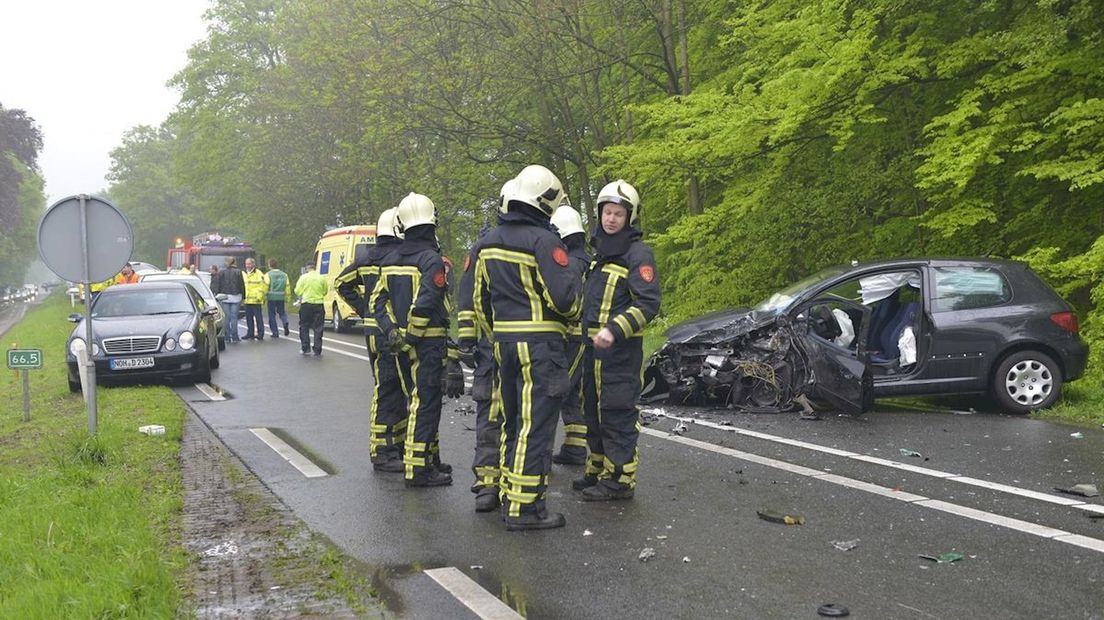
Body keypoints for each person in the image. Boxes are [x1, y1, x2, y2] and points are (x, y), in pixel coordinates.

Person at [473, 165, 582, 531]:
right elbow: (565, 300)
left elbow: (480, 302)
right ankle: (524, 509)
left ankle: (509, 492)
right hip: (541, 347)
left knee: (513, 422)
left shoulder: (487, 243)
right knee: (536, 427)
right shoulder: (545, 242)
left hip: (504, 345)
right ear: (546, 201)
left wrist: (498, 335)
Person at [576, 180, 661, 501]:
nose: (611, 219)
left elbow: (648, 303)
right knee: (593, 412)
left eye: (619, 214)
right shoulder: (599, 254)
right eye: (607, 213)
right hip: (592, 354)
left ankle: (620, 480)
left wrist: (614, 329)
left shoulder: (638, 254)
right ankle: (597, 470)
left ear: (630, 217)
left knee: (617, 413)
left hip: (621, 355)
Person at [374, 193, 462, 488]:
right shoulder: (431, 260)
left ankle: (428, 459)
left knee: (414, 401)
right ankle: (419, 469)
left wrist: (392, 332)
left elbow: (378, 301)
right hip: (426, 344)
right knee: (425, 405)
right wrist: (412, 335)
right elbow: (427, 301)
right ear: (432, 221)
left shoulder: (390, 259)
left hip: (398, 344)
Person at [335, 208, 409, 472]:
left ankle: (395, 444)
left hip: (373, 330)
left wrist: (364, 307)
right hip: (387, 332)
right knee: (390, 388)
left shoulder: (367, 256)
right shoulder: (398, 257)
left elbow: (341, 283)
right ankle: (383, 451)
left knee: (392, 389)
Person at [457, 181, 513, 512]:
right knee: (499, 415)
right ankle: (491, 483)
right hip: (496, 346)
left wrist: (468, 339)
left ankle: (493, 483)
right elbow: (469, 297)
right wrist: (467, 338)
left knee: (496, 415)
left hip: (496, 345)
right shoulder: (486, 248)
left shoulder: (486, 246)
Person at [549, 204, 591, 466]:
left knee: (557, 389)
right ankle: (575, 447)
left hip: (573, 337)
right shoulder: (586, 259)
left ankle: (540, 449)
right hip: (583, 336)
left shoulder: (571, 264)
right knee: (573, 391)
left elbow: (566, 302)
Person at [294, 261, 327, 355]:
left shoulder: (303, 277)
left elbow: (298, 291)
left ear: (307, 268)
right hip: (318, 304)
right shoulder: (321, 278)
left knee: (304, 326)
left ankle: (305, 348)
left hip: (306, 304)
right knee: (318, 328)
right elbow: (325, 291)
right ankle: (317, 349)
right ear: (315, 267)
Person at [212, 257, 245, 343]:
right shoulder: (238, 272)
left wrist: (217, 294)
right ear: (234, 262)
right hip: (236, 296)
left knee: (226, 317)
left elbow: (218, 284)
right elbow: (241, 284)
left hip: (224, 297)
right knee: (234, 317)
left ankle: (227, 336)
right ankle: (235, 336)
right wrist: (243, 296)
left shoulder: (221, 272)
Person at [241, 257, 269, 340]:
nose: (248, 266)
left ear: (253, 264)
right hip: (247, 299)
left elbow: (263, 285)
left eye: (249, 264)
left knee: (258, 318)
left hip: (256, 300)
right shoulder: (243, 273)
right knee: (249, 318)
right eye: (246, 264)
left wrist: (260, 297)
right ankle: (250, 333)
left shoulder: (258, 273)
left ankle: (260, 333)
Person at [265, 259, 291, 338]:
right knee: (282, 312)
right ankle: (285, 322)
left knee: (272, 315)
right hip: (281, 296)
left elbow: (265, 286)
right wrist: (288, 297)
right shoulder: (284, 275)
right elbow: (287, 287)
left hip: (271, 297)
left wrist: (264, 296)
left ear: (269, 265)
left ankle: (275, 332)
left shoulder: (268, 275)